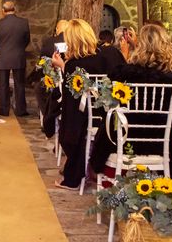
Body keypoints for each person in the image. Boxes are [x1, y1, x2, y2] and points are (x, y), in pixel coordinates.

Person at [89, 24, 172, 182]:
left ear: (139, 45)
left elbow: (103, 111)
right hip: (162, 147)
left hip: (123, 142)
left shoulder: (120, 74)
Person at [50, 19, 126, 190]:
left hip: (89, 118)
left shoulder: (75, 64)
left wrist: (63, 66)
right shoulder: (111, 54)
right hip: (115, 114)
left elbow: (72, 103)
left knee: (68, 118)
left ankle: (74, 172)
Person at [0, 1, 30, 117]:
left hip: (4, 57)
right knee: (19, 84)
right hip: (18, 56)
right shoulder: (23, 23)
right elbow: (27, 40)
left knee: (3, 84)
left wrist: (3, 50)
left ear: (4, 11)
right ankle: (21, 110)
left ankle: (4, 110)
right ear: (14, 9)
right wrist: (19, 49)